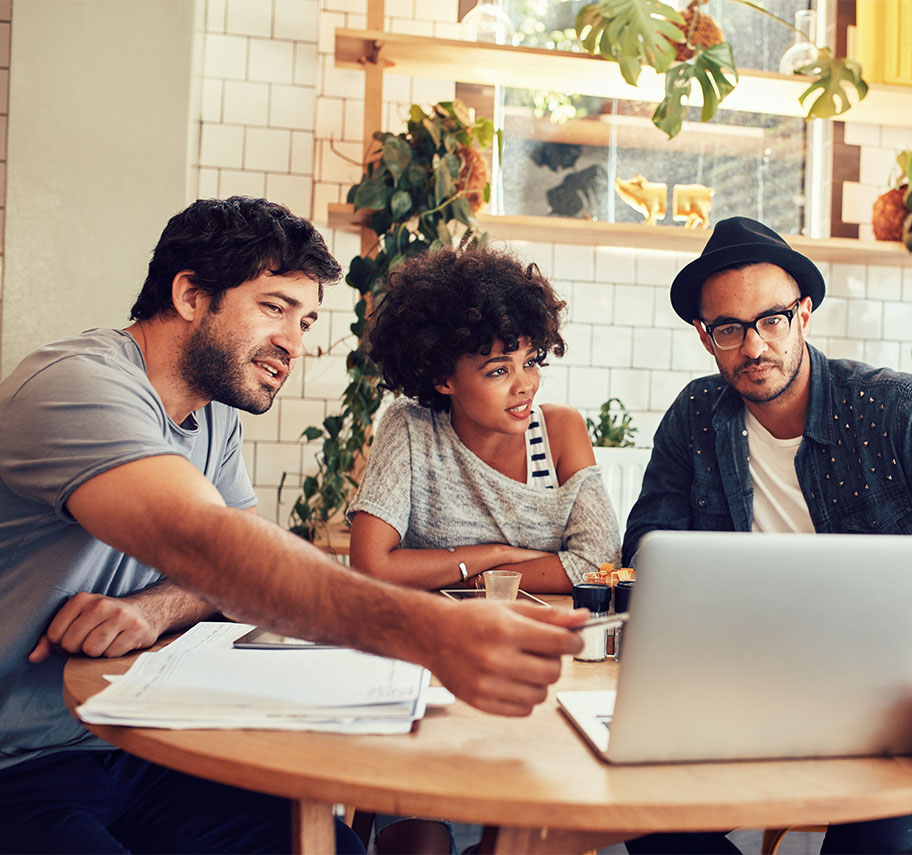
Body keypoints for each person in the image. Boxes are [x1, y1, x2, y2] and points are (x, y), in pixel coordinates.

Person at [0, 197, 586, 853]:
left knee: (333, 847)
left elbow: (224, 572)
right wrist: (433, 630)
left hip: (125, 739)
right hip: (19, 766)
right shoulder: (76, 385)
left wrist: (155, 606)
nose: (295, 344)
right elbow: (211, 546)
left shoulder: (213, 414)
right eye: (274, 308)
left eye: (305, 321)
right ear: (191, 293)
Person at [620, 216, 912, 854]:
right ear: (706, 336)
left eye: (772, 319)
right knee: (644, 819)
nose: (754, 346)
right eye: (729, 329)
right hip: (739, 681)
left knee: (886, 838)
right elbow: (646, 555)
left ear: (805, 315)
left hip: (888, 698)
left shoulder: (895, 409)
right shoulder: (694, 418)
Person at [347, 242, 620, 594]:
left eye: (531, 362)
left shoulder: (560, 433)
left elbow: (600, 565)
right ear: (443, 378)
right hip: (433, 633)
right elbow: (371, 567)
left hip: (535, 633)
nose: (525, 385)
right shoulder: (411, 428)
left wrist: (470, 574)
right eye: (498, 371)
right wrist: (495, 554)